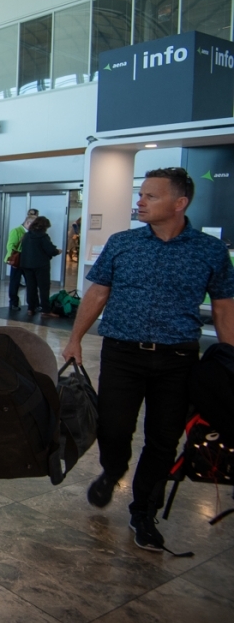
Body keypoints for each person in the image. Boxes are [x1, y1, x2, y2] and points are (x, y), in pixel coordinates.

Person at [63, 167, 234, 552]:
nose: (139, 202)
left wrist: (229, 360)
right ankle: (113, 469)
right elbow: (96, 294)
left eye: (150, 196)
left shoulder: (209, 251)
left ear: (180, 203)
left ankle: (144, 512)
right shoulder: (123, 243)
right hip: (122, 353)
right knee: (114, 427)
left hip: (178, 359)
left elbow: (224, 307)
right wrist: (75, 338)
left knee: (163, 438)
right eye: (140, 195)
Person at [20, 216, 60, 316]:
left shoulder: (26, 235)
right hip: (41, 265)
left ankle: (31, 308)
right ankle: (45, 310)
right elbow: (50, 250)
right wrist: (57, 251)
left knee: (30, 287)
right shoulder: (43, 237)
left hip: (26, 264)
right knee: (43, 287)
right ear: (44, 227)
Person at [5, 214, 35, 311]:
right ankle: (13, 303)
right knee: (15, 282)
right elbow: (11, 246)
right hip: (18, 260)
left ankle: (32, 303)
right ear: (27, 223)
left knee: (30, 282)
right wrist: (12, 259)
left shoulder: (32, 233)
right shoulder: (16, 231)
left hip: (28, 261)